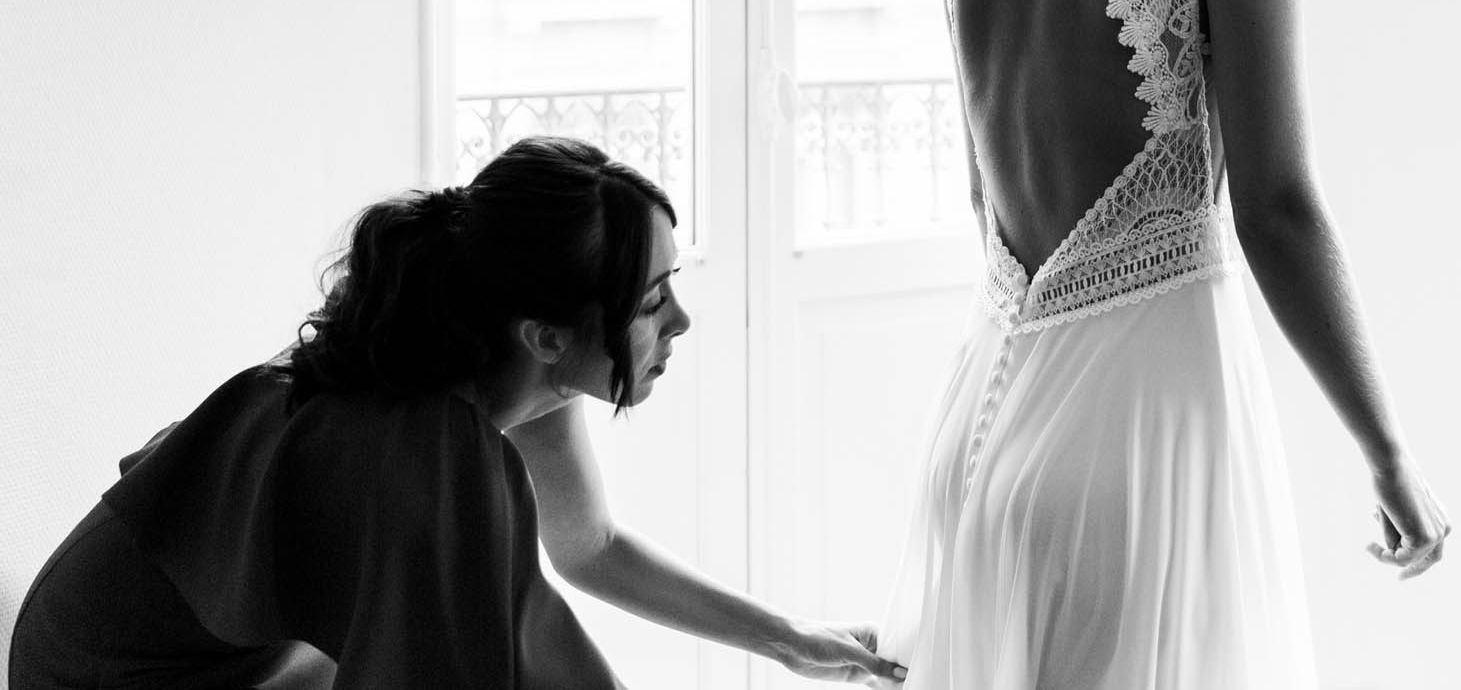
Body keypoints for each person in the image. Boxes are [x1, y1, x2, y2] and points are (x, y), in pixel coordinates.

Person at [871, 0, 1450, 687]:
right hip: (1139, 433)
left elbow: (985, 210)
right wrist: (1385, 451)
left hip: (983, 437)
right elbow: (1275, 208)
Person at [10, 134, 907, 688]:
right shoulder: (421, 448)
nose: (681, 320)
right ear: (547, 332)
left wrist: (788, 640)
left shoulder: (518, 370)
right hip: (103, 672)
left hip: (224, 657)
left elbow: (587, 545)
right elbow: (514, 660)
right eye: (649, 301)